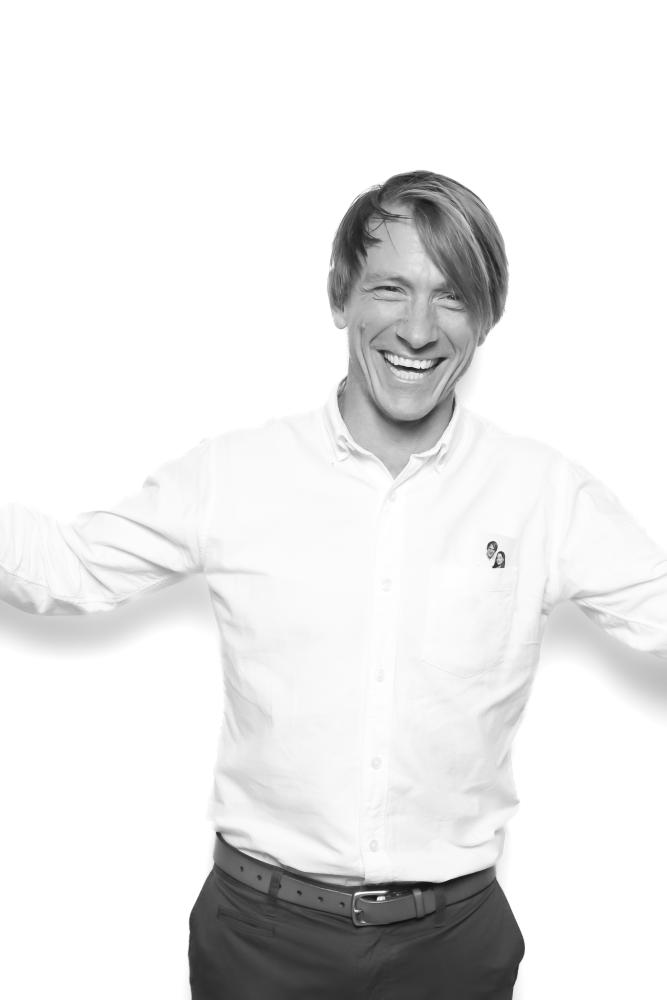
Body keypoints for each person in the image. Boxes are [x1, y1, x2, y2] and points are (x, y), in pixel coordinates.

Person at [2, 169, 667, 1000]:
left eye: (451, 296)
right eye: (390, 288)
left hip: (454, 946)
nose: (417, 328)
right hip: (260, 939)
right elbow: (66, 569)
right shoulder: (234, 475)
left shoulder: (542, 493)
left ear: (485, 319)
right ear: (339, 296)